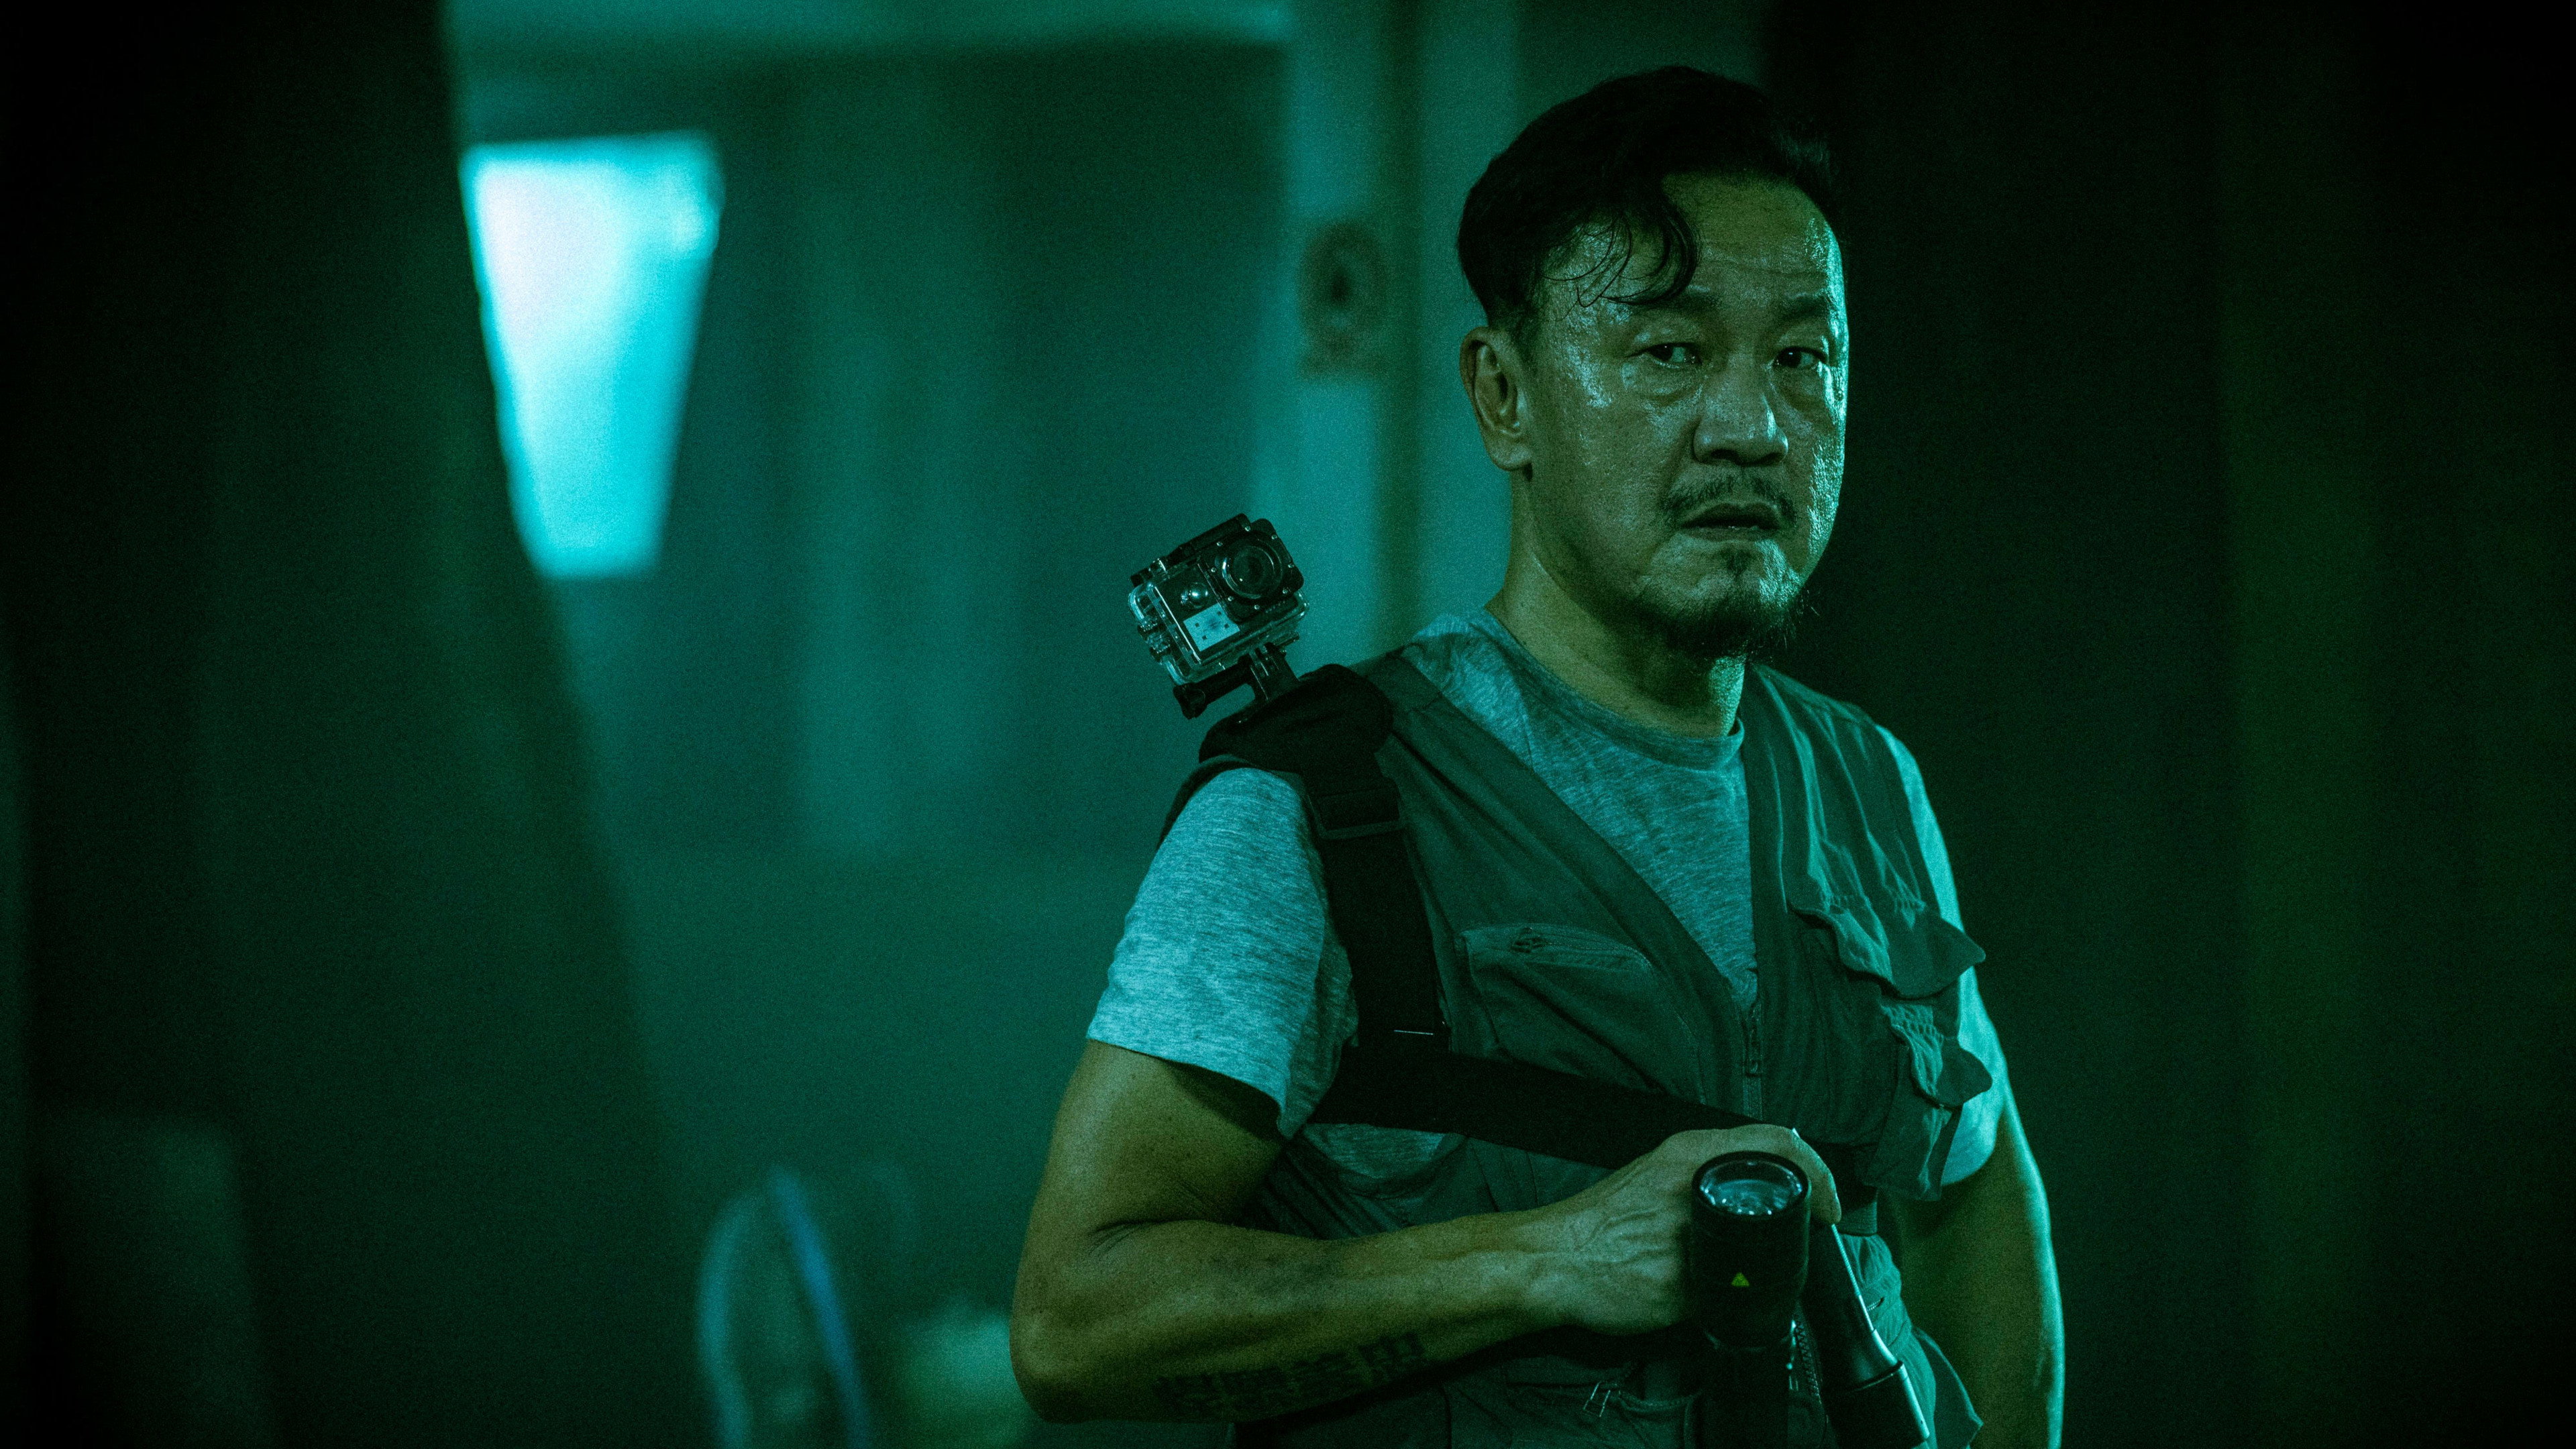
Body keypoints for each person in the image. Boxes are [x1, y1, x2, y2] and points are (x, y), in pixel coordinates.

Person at [1010, 67, 2063, 1449]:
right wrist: (1544, 1258)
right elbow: (1076, 1325)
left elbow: (1972, 1202)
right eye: (1669, 351)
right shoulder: (1320, 807)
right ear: (1504, 397)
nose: (1752, 427)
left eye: (1804, 359)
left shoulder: (1868, 784)